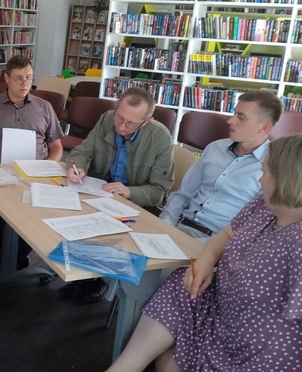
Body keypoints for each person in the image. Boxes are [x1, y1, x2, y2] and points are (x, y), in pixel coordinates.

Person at [108, 134, 302, 372]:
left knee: (169, 358)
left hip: (257, 348)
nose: (260, 180)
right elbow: (228, 232)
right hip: (217, 308)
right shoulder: (264, 204)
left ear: (287, 180)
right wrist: (206, 261)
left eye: (265, 173)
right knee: (179, 283)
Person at [61, 87, 174, 300]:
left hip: (135, 206)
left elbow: (159, 191)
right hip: (99, 193)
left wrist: (129, 192)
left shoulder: (161, 138)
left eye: (130, 123)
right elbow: (83, 151)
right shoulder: (107, 118)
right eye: (119, 118)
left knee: (99, 230)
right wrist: (78, 167)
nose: (121, 127)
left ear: (147, 121)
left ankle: (98, 280)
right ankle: (84, 275)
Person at [0, 54, 64, 269]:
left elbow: (56, 146)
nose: (24, 83)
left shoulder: (44, 107)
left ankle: (17, 254)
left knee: (39, 215)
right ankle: (0, 250)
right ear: (6, 78)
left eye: (29, 78)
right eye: (19, 78)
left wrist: (47, 165)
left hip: (35, 175)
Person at [161, 90, 283, 240]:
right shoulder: (215, 148)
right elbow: (183, 195)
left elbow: (257, 226)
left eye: (241, 117)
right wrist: (164, 225)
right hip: (180, 228)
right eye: (234, 113)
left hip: (218, 242)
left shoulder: (273, 167)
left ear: (264, 128)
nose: (230, 121)